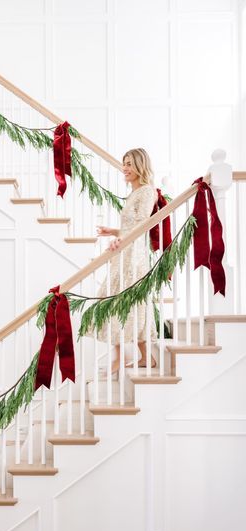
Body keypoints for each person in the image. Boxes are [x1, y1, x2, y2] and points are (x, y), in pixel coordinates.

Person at [95, 147, 157, 372]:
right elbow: (129, 226)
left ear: (140, 165)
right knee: (116, 299)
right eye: (124, 163)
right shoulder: (134, 193)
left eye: (129, 164)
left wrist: (120, 241)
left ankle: (129, 356)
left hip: (134, 254)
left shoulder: (147, 191)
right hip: (125, 249)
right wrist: (113, 232)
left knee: (127, 300)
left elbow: (141, 225)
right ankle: (136, 356)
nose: (125, 168)